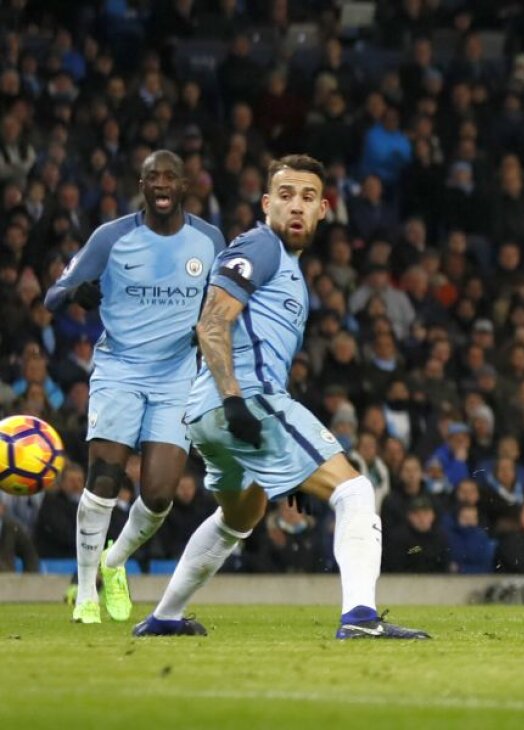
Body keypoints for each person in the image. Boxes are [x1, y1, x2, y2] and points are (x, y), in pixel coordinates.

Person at [133, 155, 429, 640]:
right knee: (354, 490)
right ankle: (360, 618)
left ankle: (165, 616)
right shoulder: (260, 246)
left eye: (307, 198)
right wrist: (235, 401)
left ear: (324, 209)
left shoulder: (286, 266)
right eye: (286, 195)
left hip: (207, 414)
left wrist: (277, 460)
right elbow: (211, 321)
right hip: (244, 401)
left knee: (240, 515)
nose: (297, 206)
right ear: (267, 203)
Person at [44, 150, 225, 625]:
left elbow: (221, 305)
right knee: (103, 481)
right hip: (120, 370)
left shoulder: (208, 240)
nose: (162, 184)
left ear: (184, 185)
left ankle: (113, 561)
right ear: (141, 186)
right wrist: (75, 294)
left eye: (170, 177)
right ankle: (86, 593)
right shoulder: (112, 237)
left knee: (161, 493)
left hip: (176, 375)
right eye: (152, 178)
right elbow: (52, 297)